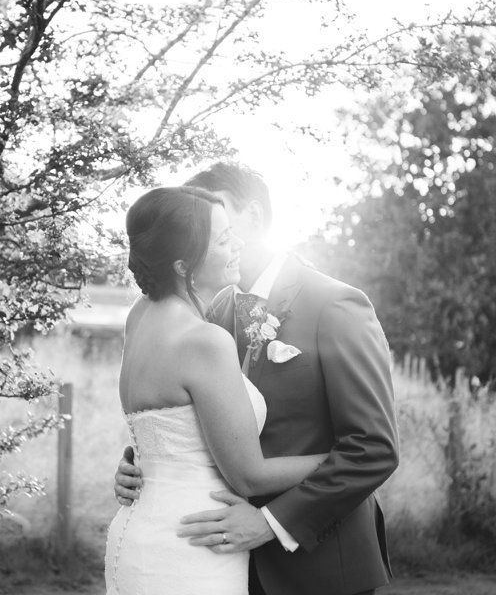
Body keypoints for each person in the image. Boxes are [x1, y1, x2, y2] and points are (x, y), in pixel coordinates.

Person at [114, 164, 400, 595]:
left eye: (219, 215)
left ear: (251, 217)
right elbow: (185, 417)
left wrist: (270, 522)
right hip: (218, 556)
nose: (213, 228)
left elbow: (374, 448)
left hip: (318, 567)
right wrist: (142, 464)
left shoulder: (335, 305)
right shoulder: (203, 314)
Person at [105, 186, 329, 595]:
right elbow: (249, 476)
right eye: (224, 239)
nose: (238, 243)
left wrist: (135, 463)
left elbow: (159, 426)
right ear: (184, 265)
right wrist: (340, 459)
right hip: (195, 545)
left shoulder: (140, 315)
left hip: (137, 535)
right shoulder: (203, 340)